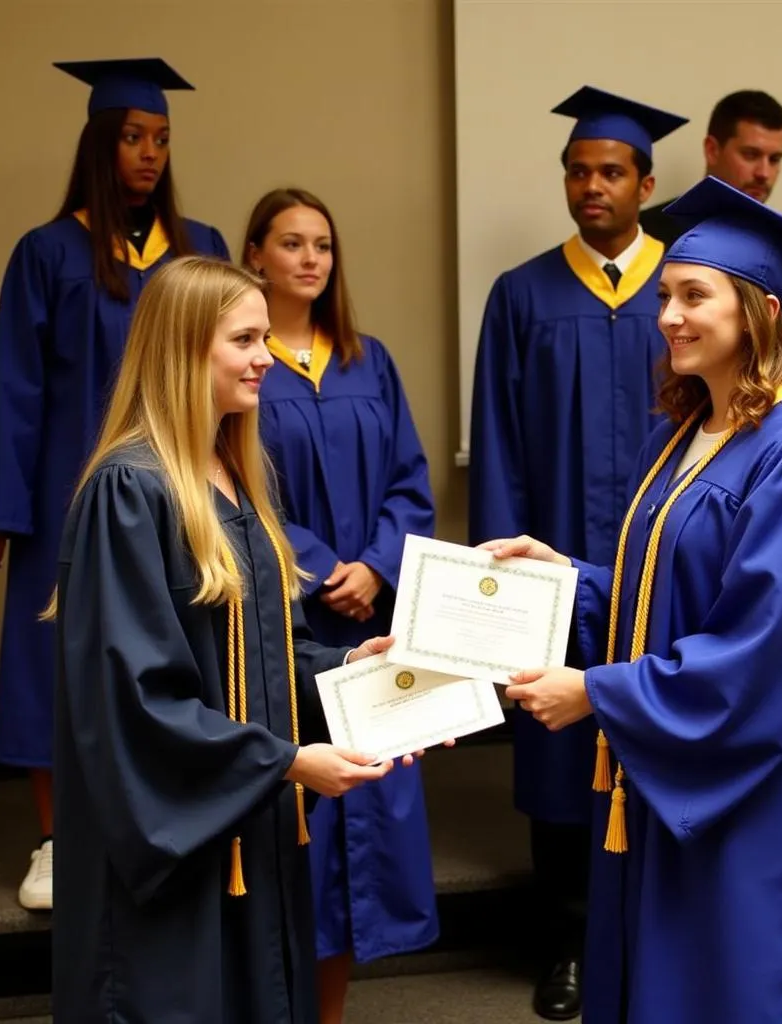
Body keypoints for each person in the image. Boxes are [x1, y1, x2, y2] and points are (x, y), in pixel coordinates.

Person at [491, 176, 782, 1023]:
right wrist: (560, 576)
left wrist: (595, 692)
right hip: (677, 787)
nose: (668, 314)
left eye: (693, 295)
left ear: (760, 311)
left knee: (742, 993)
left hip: (758, 801)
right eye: (665, 293)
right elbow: (658, 599)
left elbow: (758, 652)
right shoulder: (687, 432)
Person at [51, 254, 425, 1023]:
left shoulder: (233, 480)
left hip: (244, 826)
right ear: (187, 347)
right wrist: (286, 761)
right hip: (175, 851)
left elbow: (269, 658)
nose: (267, 358)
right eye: (246, 340)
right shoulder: (131, 490)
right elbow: (135, 700)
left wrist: (356, 667)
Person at [0, 58, 230, 910]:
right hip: (67, 494)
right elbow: (16, 387)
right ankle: (54, 841)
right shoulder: (49, 252)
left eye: (159, 139)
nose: (148, 154)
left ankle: (172, 816)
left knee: (180, 649)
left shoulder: (203, 250)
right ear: (98, 145)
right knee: (58, 660)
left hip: (184, 486)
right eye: (132, 138)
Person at [468, 86, 688, 1020]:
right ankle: (563, 942)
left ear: (646, 181)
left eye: (609, 172)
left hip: (658, 566)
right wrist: (501, 580)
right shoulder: (523, 293)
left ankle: (661, 938)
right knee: (557, 755)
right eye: (577, 170)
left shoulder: (685, 292)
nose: (590, 186)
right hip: (553, 571)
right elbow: (499, 445)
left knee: (657, 734)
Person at [243, 188, 438, 1023]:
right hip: (289, 620)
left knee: (369, 818)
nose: (312, 259)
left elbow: (410, 482)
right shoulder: (243, 365)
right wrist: (324, 570)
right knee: (302, 831)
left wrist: (376, 566)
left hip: (374, 619)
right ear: (255, 256)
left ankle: (330, 1011)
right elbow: (235, 491)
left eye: (323, 243)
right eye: (292, 243)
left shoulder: (370, 360)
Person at [640, 89, 782, 418]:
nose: (764, 172)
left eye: (775, 160)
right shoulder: (647, 236)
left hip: (765, 433)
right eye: (751, 154)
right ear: (712, 149)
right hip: (670, 421)